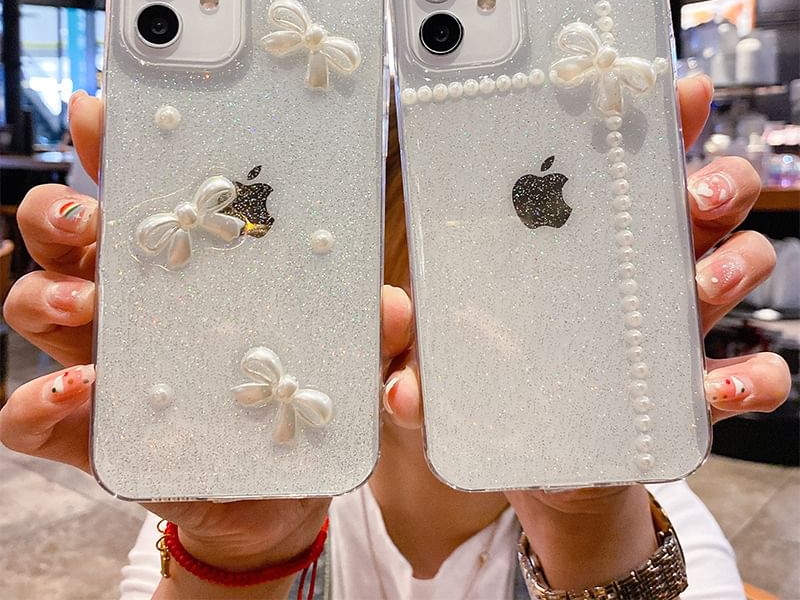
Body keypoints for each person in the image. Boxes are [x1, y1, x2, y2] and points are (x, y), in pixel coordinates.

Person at [0, 76, 790, 600]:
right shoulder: (238, 479)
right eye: (441, 241)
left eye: (526, 238)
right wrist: (240, 559)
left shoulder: (630, 497)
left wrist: (585, 525)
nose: (480, 301)